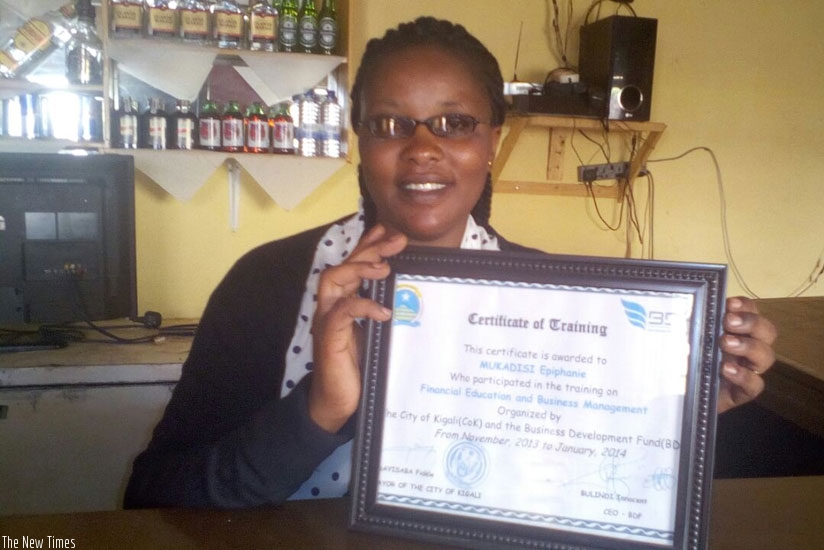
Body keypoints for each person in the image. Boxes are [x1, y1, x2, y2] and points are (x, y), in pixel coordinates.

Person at [124, 16, 777, 509]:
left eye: (455, 123)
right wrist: (319, 408)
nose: (423, 149)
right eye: (390, 124)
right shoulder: (266, 282)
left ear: (492, 141)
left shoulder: (558, 298)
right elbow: (153, 498)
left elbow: (584, 488)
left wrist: (679, 417)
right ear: (361, 141)